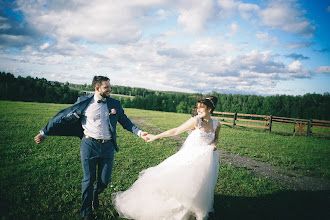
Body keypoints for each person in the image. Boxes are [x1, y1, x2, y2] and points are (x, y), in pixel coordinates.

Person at [34, 76, 149, 220]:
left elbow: (126, 122)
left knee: (104, 181)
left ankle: (95, 194)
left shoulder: (115, 104)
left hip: (108, 147)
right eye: (106, 87)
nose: (109, 89)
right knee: (88, 179)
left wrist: (140, 133)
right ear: (97, 88)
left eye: (109, 86)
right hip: (89, 145)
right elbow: (62, 116)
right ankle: (86, 211)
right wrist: (45, 133)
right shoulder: (83, 102)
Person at [111, 96, 221, 220]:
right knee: (179, 184)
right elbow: (175, 131)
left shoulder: (217, 124)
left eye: (202, 108)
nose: (198, 110)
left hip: (205, 159)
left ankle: (192, 211)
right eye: (197, 108)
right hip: (188, 156)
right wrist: (155, 136)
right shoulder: (195, 121)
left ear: (210, 109)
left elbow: (216, 138)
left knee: (199, 184)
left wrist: (214, 144)